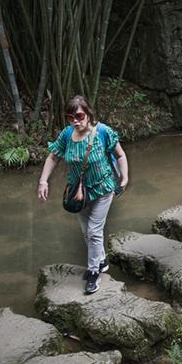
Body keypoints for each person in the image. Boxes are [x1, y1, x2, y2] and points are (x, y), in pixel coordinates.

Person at [37, 95, 129, 294]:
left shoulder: (103, 132)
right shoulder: (67, 134)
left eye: (78, 116)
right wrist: (43, 181)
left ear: (88, 114)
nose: (75, 121)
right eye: (70, 117)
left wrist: (124, 178)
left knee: (94, 232)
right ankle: (102, 260)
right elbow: (53, 157)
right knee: (86, 230)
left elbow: (120, 154)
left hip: (103, 188)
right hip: (78, 192)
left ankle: (93, 273)